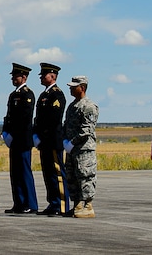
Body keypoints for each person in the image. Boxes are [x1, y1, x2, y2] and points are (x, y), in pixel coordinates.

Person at [33, 62, 70, 216]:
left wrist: (43, 135)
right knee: (48, 174)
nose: (41, 77)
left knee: (57, 173)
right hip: (44, 141)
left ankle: (61, 204)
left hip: (53, 140)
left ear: (53, 76)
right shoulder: (44, 95)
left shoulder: (57, 94)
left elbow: (53, 119)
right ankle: (52, 202)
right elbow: (39, 119)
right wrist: (36, 134)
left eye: (44, 74)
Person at [1, 63, 38, 214]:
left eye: (16, 76)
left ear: (24, 77)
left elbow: (24, 118)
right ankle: (19, 202)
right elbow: (9, 116)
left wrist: (14, 134)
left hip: (22, 140)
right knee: (15, 173)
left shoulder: (27, 94)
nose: (13, 78)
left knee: (24, 172)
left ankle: (30, 203)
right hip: (14, 140)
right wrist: (5, 131)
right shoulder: (13, 95)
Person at [63, 75, 99, 218]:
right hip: (72, 149)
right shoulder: (72, 106)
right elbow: (66, 126)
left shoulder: (89, 106)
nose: (71, 89)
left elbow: (87, 130)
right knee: (72, 177)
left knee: (85, 176)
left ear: (82, 88)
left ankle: (88, 206)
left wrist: (72, 142)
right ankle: (77, 204)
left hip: (84, 149)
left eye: (74, 87)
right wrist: (64, 141)